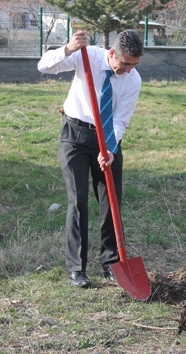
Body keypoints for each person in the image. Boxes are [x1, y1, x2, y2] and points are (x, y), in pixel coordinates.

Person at [38, 29, 144, 288]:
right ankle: (77, 268)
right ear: (112, 54)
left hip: (106, 139)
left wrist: (109, 149)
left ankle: (111, 263)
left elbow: (120, 119)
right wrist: (69, 48)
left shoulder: (133, 80)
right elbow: (44, 66)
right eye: (125, 63)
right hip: (74, 136)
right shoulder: (87, 56)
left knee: (110, 201)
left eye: (134, 64)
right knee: (79, 201)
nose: (129, 69)